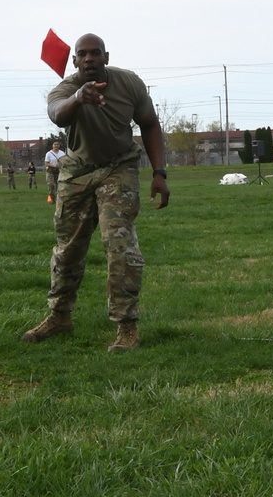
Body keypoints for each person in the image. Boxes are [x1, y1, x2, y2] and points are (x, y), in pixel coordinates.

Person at [22, 33, 168, 351]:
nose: (89, 58)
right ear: (75, 61)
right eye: (82, 54)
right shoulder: (64, 89)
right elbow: (58, 113)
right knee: (68, 248)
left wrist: (159, 173)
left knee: (119, 243)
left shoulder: (129, 84)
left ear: (106, 57)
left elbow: (150, 123)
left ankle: (126, 327)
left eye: (95, 53)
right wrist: (79, 97)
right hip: (77, 169)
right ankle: (59, 317)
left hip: (119, 166)